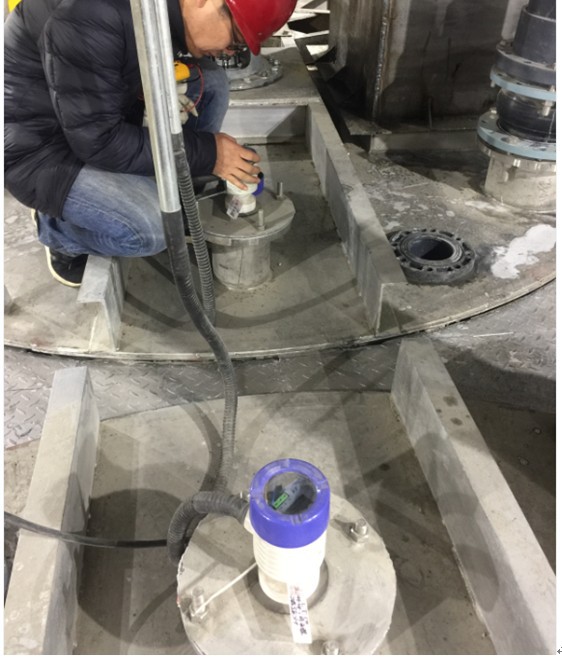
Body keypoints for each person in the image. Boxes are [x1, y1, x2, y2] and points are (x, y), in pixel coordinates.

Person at [4, 0, 298, 286]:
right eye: (234, 39)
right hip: (41, 148)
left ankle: (179, 192)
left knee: (211, 83)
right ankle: (59, 232)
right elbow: (99, 141)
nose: (228, 51)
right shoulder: (90, 13)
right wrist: (210, 154)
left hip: (85, 113)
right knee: (153, 229)